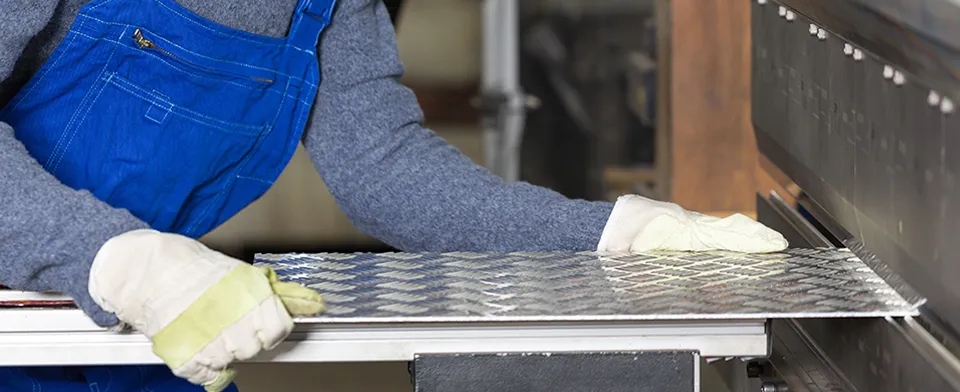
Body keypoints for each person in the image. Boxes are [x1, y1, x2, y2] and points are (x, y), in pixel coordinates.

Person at [0, 0, 788, 391]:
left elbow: (385, 170)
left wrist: (610, 235)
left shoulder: (334, 9)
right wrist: (126, 265)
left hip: (148, 340)